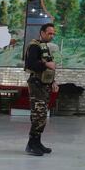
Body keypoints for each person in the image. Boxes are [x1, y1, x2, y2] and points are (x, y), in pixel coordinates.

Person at [23, 23, 59, 156]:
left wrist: (53, 81)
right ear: (42, 32)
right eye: (49, 33)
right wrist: (45, 64)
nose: (52, 36)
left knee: (42, 115)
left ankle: (37, 142)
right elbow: (30, 64)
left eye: (53, 33)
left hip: (45, 85)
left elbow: (50, 68)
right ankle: (31, 144)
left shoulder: (46, 47)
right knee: (39, 115)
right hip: (36, 84)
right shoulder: (34, 46)